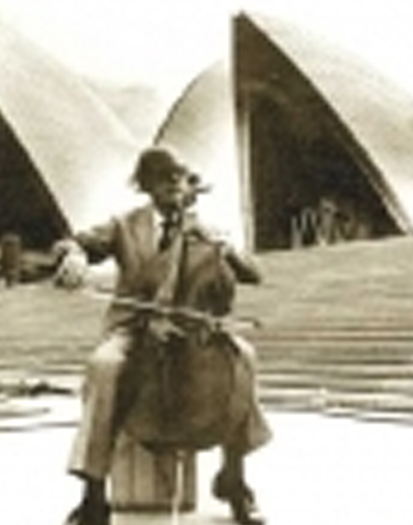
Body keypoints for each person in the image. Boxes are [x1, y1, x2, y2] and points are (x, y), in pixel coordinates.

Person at [54, 147, 272, 525]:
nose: (175, 183)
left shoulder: (206, 230)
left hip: (193, 329)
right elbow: (76, 242)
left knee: (243, 360)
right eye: (165, 176)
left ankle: (234, 478)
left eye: (182, 177)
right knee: (104, 367)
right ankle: (93, 493)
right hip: (134, 326)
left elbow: (254, 274)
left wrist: (227, 249)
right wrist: (72, 256)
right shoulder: (126, 225)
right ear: (148, 185)